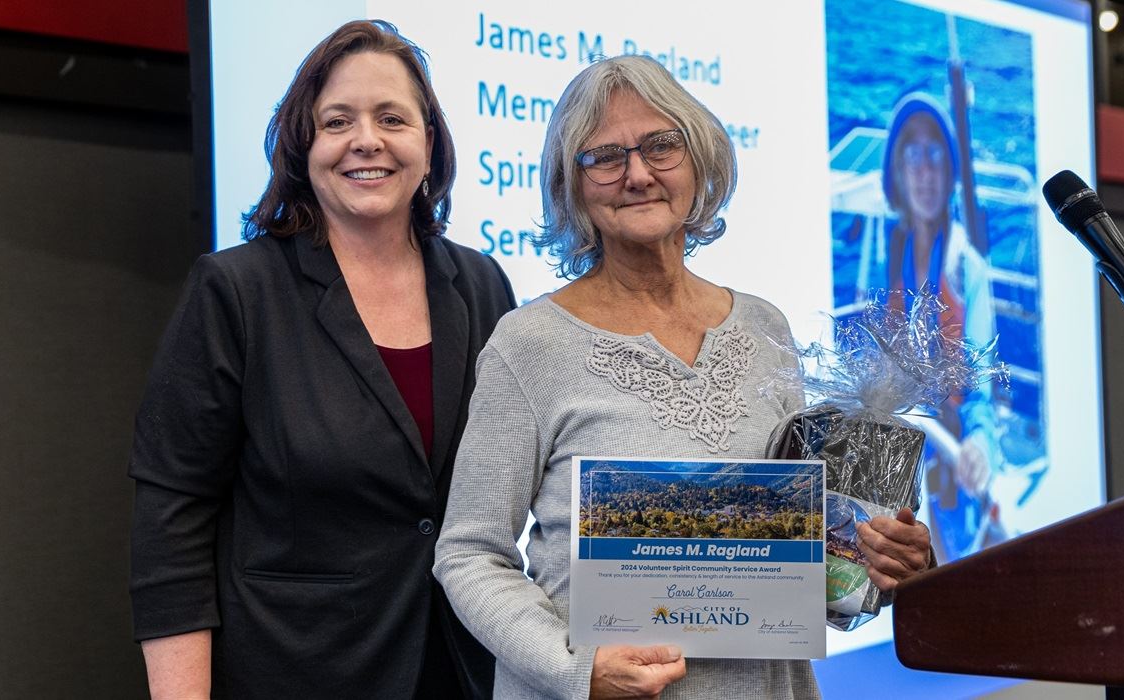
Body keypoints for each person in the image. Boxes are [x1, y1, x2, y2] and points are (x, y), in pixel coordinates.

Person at [434, 55, 933, 699]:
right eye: (604, 157)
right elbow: (470, 555)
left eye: (661, 146)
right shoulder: (528, 343)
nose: (636, 174)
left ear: (700, 161)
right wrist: (575, 671)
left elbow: (808, 550)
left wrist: (885, 558)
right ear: (573, 185)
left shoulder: (764, 327)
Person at [128, 20, 513, 699]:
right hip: (294, 670)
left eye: (392, 117)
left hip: (461, 669)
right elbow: (172, 516)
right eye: (337, 121)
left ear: (429, 142)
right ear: (304, 146)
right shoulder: (237, 290)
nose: (366, 140)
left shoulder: (482, 286)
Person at [880, 93, 1002, 562]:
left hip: (949, 474)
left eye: (936, 153)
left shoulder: (969, 270)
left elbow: (981, 391)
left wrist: (979, 443)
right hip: (893, 462)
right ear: (897, 169)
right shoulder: (883, 259)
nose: (925, 170)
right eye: (913, 153)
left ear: (950, 170)